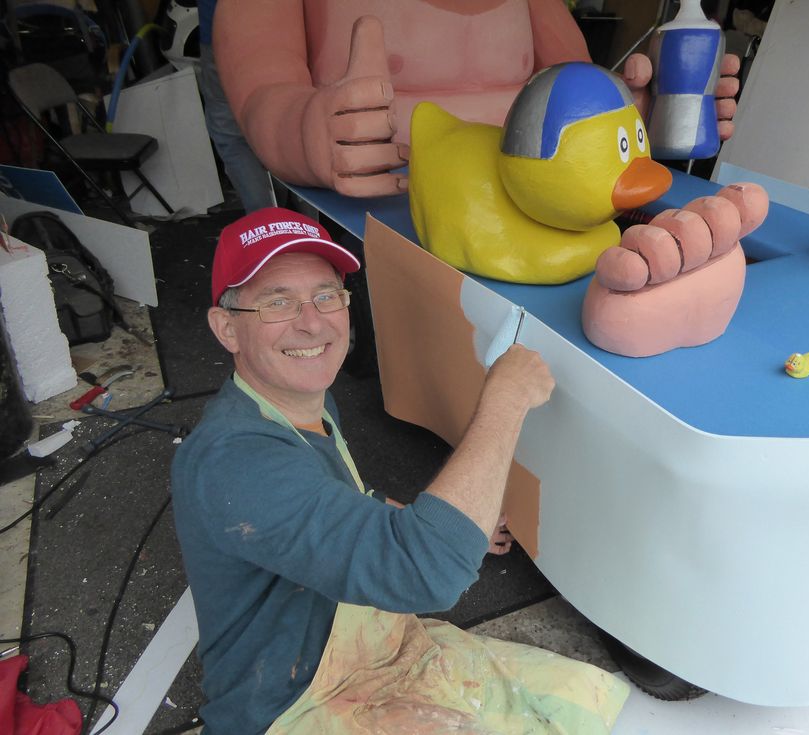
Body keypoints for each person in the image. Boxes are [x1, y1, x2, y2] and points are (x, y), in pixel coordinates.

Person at [171, 206, 629, 734]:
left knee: (576, 694)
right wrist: (504, 398)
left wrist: (431, 518)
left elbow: (340, 497)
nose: (312, 321)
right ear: (226, 328)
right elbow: (427, 574)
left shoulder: (300, 402)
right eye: (278, 302)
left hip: (371, 648)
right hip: (290, 702)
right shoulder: (235, 461)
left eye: (326, 295)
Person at [212, 0, 740, 197]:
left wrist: (635, 112)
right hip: (383, 205)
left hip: (536, 194)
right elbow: (263, 89)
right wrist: (307, 130)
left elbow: (571, 83)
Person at [197, 0, 276, 212]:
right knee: (293, 122)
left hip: (222, 31)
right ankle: (311, 227)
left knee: (231, 135)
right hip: (282, 28)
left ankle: (267, 225)